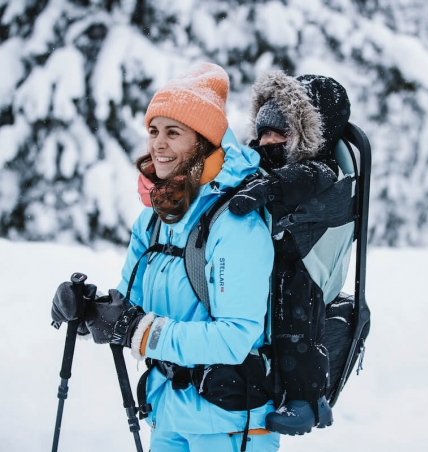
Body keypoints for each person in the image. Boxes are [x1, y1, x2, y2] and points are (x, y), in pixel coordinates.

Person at [51, 62, 280, 452]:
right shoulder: (153, 221)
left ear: (203, 142)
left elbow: (234, 338)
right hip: (167, 416)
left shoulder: (236, 224)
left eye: (174, 133)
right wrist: (89, 311)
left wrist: (139, 330)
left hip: (230, 426)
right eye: (154, 131)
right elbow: (129, 308)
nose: (158, 144)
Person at [228, 71, 353, 435]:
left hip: (307, 275)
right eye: (262, 132)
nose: (267, 142)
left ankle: (308, 400)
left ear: (307, 136)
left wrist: (270, 186)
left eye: (279, 134)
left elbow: (303, 178)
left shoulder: (323, 169)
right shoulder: (263, 161)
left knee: (292, 305)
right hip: (277, 257)